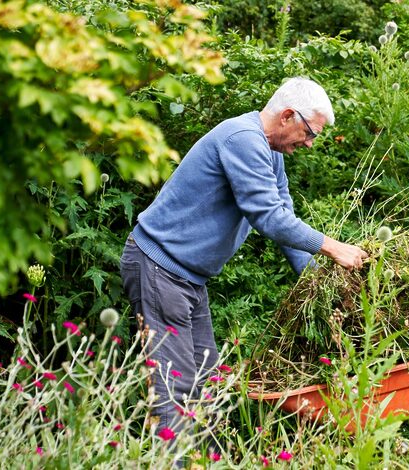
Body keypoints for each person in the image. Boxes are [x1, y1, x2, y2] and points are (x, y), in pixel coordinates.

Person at [120, 77, 369, 433]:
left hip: (187, 279)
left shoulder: (270, 152)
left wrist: (317, 281)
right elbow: (267, 217)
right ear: (287, 116)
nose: (311, 144)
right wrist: (332, 247)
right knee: (177, 388)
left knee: (208, 384)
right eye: (311, 132)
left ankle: (200, 460)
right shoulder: (242, 139)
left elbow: (284, 214)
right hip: (159, 268)